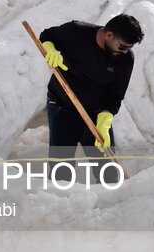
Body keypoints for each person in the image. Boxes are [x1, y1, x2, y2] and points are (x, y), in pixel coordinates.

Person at [40, 14, 144, 182]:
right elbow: (47, 36)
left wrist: (104, 120)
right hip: (62, 106)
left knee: (108, 169)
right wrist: (50, 50)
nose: (125, 52)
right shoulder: (75, 32)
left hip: (96, 113)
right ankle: (62, 204)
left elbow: (116, 94)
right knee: (61, 169)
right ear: (109, 35)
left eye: (128, 48)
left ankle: (112, 202)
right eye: (122, 46)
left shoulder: (125, 59)